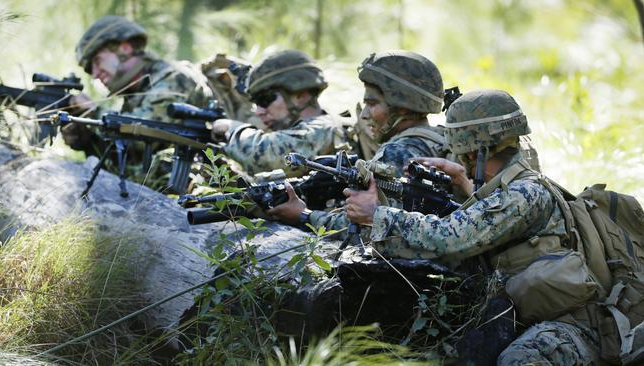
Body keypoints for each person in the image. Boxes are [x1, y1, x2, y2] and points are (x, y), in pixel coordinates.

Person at [343, 89, 604, 365]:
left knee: (519, 360)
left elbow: (450, 238)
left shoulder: (525, 194)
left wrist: (378, 215)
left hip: (570, 324)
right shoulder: (511, 185)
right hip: (525, 311)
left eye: (463, 153)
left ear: (477, 150)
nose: (460, 158)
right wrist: (464, 183)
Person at [267, 50, 449, 230]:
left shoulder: (396, 152)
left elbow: (371, 227)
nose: (363, 115)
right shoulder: (439, 138)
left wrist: (303, 215)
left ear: (401, 108)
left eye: (372, 104)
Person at [63, 15, 212, 157]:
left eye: (97, 61)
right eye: (90, 70)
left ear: (125, 48)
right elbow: (133, 164)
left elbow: (149, 135)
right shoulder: (135, 97)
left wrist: (93, 111)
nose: (95, 74)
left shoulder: (175, 78)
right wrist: (88, 142)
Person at [208, 49, 347, 177]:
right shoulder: (305, 132)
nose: (258, 112)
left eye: (265, 99)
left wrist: (230, 128)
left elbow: (266, 155)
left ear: (300, 96)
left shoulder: (324, 129)